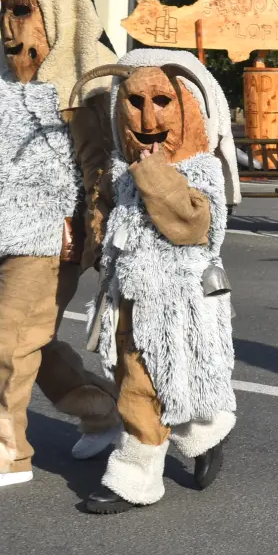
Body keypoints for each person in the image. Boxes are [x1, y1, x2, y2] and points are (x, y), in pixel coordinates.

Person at [0, 0, 123, 492]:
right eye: (8, 15)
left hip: (51, 231)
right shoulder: (4, 81)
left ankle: (5, 452)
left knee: (9, 341)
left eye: (23, 12)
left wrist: (92, 231)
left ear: (56, 5)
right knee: (32, 341)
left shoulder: (84, 85)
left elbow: (101, 168)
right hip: (4, 228)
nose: (11, 27)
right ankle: (105, 410)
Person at [76, 49, 242, 514]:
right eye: (135, 102)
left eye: (163, 101)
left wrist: (152, 171)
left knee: (141, 387)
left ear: (188, 104)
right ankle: (203, 433)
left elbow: (189, 225)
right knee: (160, 382)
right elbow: (115, 227)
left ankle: (134, 476)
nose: (148, 117)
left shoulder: (199, 169)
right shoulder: (123, 171)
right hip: (128, 297)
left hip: (176, 304)